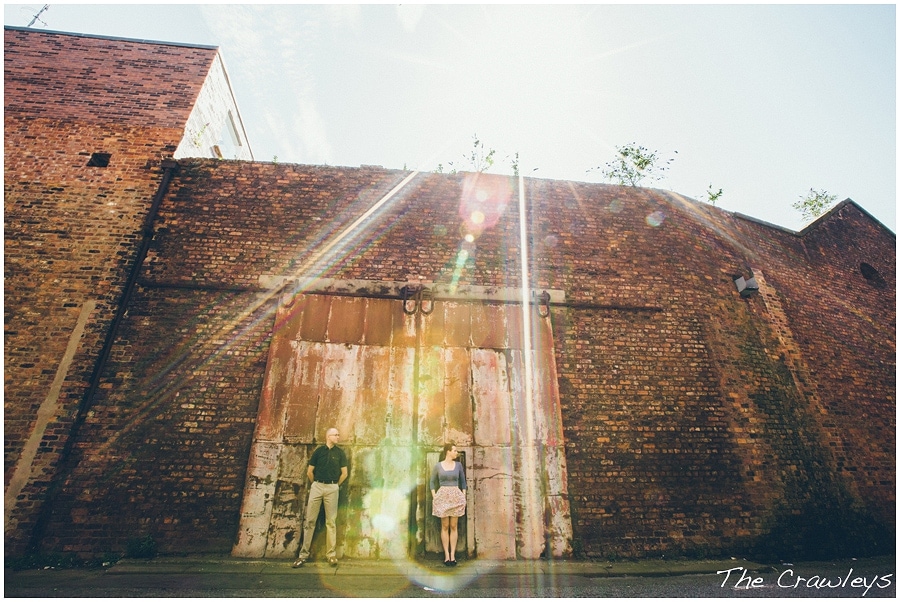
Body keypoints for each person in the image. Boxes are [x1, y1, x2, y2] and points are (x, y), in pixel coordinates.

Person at [292, 427, 348, 568]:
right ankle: (303, 555)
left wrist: (335, 485)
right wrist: (316, 484)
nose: (338, 437)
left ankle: (331, 555)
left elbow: (344, 473)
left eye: (338, 435)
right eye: (336, 435)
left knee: (331, 522)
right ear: (328, 436)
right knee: (310, 521)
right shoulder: (319, 451)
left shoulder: (340, 453)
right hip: (317, 486)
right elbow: (310, 471)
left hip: (332, 487)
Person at [429, 442, 467, 566]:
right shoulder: (438, 466)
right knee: (444, 526)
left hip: (455, 497)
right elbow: (432, 482)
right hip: (442, 497)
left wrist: (463, 496)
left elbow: (463, 482)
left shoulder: (458, 465)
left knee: (454, 526)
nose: (456, 452)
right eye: (454, 450)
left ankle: (453, 555)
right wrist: (435, 496)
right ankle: (446, 555)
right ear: (448, 451)